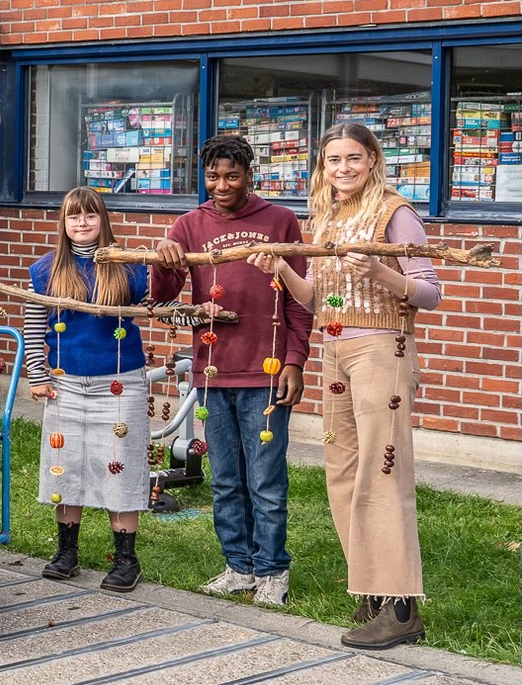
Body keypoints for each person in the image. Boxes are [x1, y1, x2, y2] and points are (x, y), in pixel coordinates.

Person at [249, 123, 439, 650]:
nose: (343, 168)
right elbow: (317, 300)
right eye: (333, 160)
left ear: (373, 160)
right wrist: (284, 268)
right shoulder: (328, 216)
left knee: (383, 470)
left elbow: (428, 293)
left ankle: (402, 607)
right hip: (336, 351)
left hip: (383, 349)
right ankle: (372, 589)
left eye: (354, 157)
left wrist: (381, 271)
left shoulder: (396, 213)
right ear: (323, 168)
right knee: (343, 473)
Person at [150, 135, 312, 608]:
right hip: (213, 371)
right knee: (224, 477)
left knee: (265, 477)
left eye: (232, 176)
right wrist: (165, 261)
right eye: (214, 175)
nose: (222, 184)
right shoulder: (188, 225)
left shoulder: (279, 221)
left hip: (266, 371)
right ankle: (238, 566)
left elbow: (302, 304)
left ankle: (272, 570)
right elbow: (161, 301)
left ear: (250, 176)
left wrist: (295, 362)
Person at [22, 188, 152, 592]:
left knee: (121, 463)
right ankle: (67, 552)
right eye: (73, 217)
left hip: (119, 382)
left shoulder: (129, 267)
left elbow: (156, 302)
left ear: (103, 220)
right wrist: (38, 373)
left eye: (90, 216)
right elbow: (33, 323)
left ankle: (126, 559)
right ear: (63, 223)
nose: (82, 223)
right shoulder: (44, 269)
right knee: (67, 463)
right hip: (66, 384)